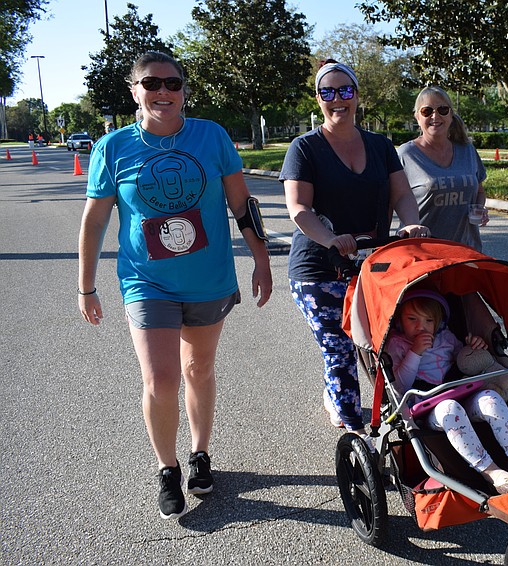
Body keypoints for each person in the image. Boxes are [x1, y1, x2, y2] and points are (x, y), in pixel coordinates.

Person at [77, 51, 272, 520]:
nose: (162, 91)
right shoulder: (113, 147)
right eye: (151, 83)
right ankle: (167, 468)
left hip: (208, 279)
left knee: (198, 370)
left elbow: (242, 204)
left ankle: (200, 453)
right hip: (147, 281)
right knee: (161, 379)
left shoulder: (212, 135)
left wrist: (262, 258)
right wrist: (86, 286)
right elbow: (95, 220)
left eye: (172, 83)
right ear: (135, 91)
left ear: (184, 90)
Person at [280, 59, 430, 441]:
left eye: (345, 90)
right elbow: (299, 208)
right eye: (327, 92)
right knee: (340, 349)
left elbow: (401, 194)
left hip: (372, 264)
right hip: (319, 268)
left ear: (357, 95)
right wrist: (330, 238)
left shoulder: (379, 146)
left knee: (379, 343)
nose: (338, 99)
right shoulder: (305, 148)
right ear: (318, 99)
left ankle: (400, 410)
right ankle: (356, 431)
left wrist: (409, 224)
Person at [385, 290, 508, 494]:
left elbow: (465, 361)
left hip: (462, 393)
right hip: (427, 408)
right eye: (412, 319)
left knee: (491, 398)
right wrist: (415, 352)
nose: (421, 326)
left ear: (438, 323)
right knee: (449, 408)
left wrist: (474, 346)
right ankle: (493, 473)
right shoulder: (396, 344)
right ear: (399, 320)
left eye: (428, 321)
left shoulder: (446, 338)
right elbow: (399, 386)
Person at [398, 86, 489, 251]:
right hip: (422, 253)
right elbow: (391, 201)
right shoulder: (406, 154)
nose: (435, 116)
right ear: (417, 117)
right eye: (427, 111)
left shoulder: (467, 150)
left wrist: (479, 209)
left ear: (451, 114)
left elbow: (480, 192)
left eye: (442, 109)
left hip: (467, 251)